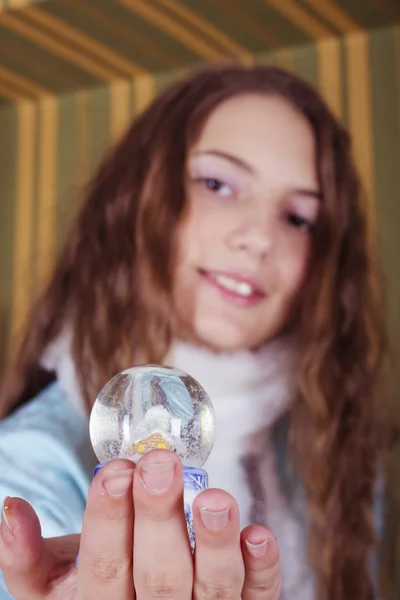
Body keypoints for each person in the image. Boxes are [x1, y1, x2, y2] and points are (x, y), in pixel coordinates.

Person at [0, 64, 386, 600]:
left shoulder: (337, 457)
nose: (258, 237)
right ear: (135, 202)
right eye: (217, 183)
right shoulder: (23, 472)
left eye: (298, 217)